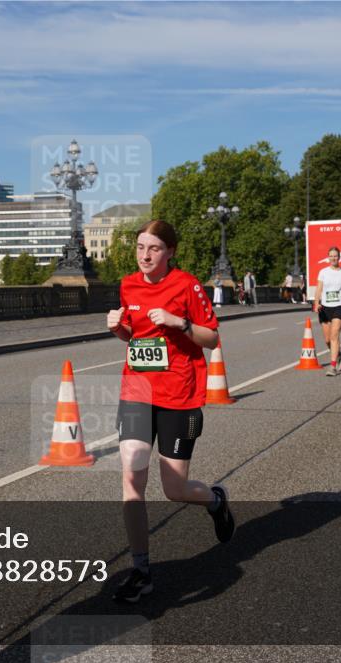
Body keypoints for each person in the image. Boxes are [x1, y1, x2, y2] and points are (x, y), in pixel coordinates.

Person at [106, 220, 234, 603]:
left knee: (174, 489)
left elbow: (212, 338)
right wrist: (118, 329)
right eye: (141, 247)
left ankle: (215, 500)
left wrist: (180, 322)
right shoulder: (128, 285)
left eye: (154, 249)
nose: (145, 255)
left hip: (179, 395)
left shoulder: (187, 285)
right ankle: (141, 571)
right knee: (132, 479)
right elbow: (135, 336)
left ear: (170, 252)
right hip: (136, 391)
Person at [313, 247, 341, 376]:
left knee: (334, 336)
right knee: (327, 340)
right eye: (331, 256)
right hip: (325, 308)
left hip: (340, 307)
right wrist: (316, 302)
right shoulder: (323, 272)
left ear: (339, 257)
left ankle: (332, 366)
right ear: (328, 257)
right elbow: (319, 288)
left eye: (335, 256)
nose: (333, 258)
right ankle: (338, 354)